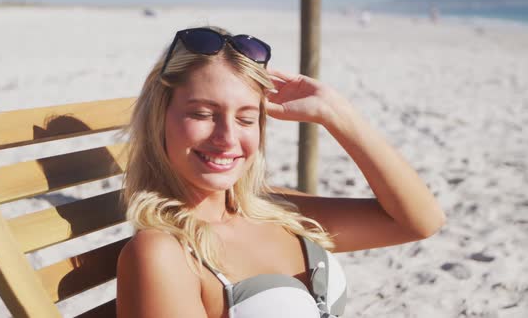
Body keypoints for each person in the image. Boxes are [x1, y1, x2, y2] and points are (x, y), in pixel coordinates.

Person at [116, 26, 445, 318]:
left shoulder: (277, 210)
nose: (227, 138)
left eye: (246, 119)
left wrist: (336, 113)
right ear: (160, 118)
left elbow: (419, 221)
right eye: (202, 114)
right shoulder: (165, 253)